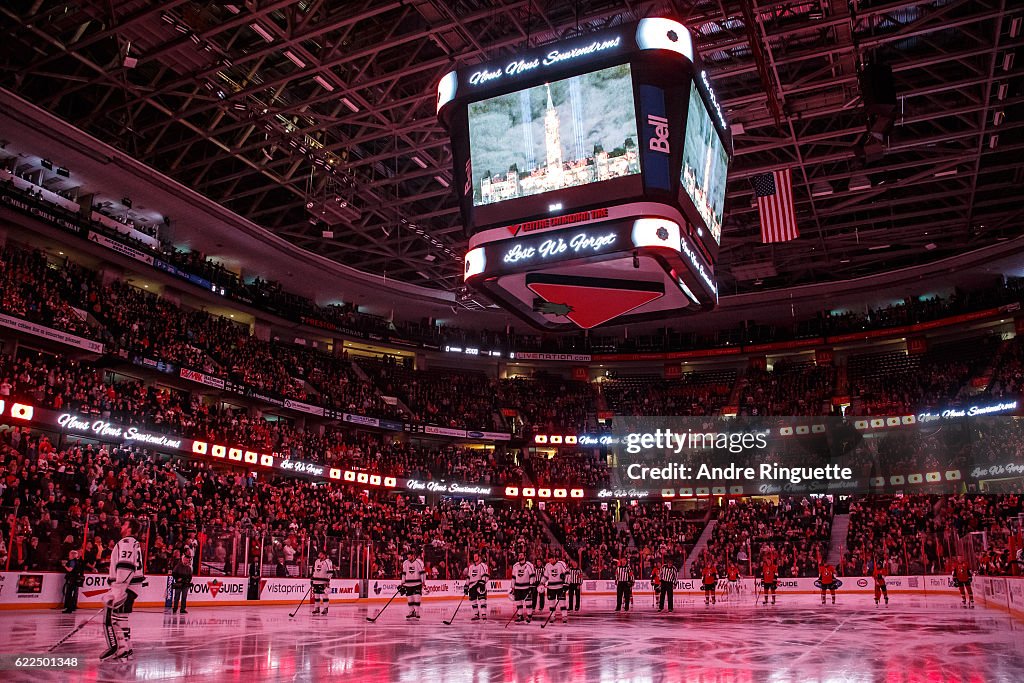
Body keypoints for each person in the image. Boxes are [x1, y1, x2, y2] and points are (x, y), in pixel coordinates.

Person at [100, 518, 145, 662]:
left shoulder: (126, 542)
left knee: (115, 619)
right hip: (131, 586)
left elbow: (126, 567)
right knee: (122, 617)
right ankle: (126, 647)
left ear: (130, 529)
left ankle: (121, 648)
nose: (122, 526)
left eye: (125, 524)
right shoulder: (134, 543)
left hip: (126, 586)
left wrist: (118, 589)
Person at [540, 552, 569, 624]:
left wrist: (566, 583)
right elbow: (545, 576)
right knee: (551, 603)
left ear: (554, 558)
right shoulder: (547, 565)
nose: (550, 562)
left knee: (562, 603)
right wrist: (542, 582)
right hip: (551, 587)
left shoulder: (561, 564)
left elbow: (567, 574)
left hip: (560, 587)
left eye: (551, 560)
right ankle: (552, 616)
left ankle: (564, 616)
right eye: (549, 560)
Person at [510, 552, 536, 624]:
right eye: (519, 555)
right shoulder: (515, 565)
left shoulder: (529, 565)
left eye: (521, 555)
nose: (520, 556)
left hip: (526, 587)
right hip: (518, 587)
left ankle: (529, 616)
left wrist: (531, 585)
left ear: (524, 556)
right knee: (518, 602)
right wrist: (512, 587)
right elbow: (513, 577)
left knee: (528, 602)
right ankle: (520, 616)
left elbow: (532, 576)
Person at [400, 548, 425, 619]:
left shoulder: (419, 562)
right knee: (410, 599)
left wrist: (423, 582)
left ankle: (417, 612)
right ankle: (411, 612)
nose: (408, 557)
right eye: (407, 556)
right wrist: (402, 582)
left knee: (417, 598)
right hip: (408, 584)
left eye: (409, 556)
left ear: (413, 555)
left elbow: (422, 573)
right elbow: (404, 573)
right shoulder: (405, 563)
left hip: (417, 583)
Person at [465, 552, 489, 621]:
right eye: (474, 556)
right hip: (472, 586)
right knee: (473, 601)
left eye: (476, 556)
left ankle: (484, 614)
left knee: (482, 600)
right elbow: (468, 577)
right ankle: (476, 614)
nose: (475, 558)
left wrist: (483, 583)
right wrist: (466, 585)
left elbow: (485, 576)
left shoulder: (483, 565)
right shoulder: (471, 567)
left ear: (479, 557)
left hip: (479, 585)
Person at [61, 549, 84, 613]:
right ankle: (71, 607)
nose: (69, 556)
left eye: (70, 554)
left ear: (72, 555)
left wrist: (65, 566)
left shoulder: (72, 562)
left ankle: (69, 608)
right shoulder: (77, 561)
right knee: (72, 593)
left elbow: (70, 570)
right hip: (75, 579)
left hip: (72, 579)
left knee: (69, 593)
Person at [311, 550, 334, 616]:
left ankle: (325, 608)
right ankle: (317, 608)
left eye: (321, 554)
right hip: (316, 581)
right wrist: (312, 579)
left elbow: (330, 572)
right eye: (319, 554)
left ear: (324, 555)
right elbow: (315, 570)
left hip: (323, 581)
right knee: (316, 595)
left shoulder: (328, 562)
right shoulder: (317, 561)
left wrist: (328, 580)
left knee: (324, 595)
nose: (319, 556)